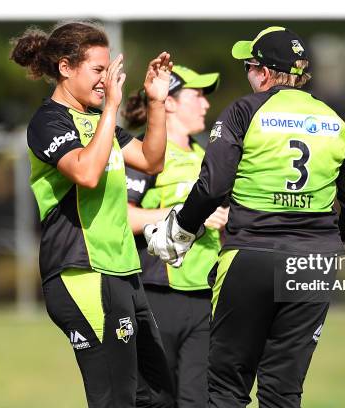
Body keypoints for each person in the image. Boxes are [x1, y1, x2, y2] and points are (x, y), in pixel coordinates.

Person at [145, 26, 345, 407]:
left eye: (249, 66)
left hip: (250, 256)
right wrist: (326, 242)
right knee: (283, 390)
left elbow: (213, 186)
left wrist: (181, 230)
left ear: (264, 73)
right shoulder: (339, 121)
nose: (248, 75)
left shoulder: (245, 110)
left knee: (225, 386)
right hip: (315, 261)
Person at [10, 21, 174, 408]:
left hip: (121, 271)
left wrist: (156, 101)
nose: (106, 80)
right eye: (98, 70)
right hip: (81, 273)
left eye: (108, 71)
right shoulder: (48, 121)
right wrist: (113, 106)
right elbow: (85, 172)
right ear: (65, 68)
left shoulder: (101, 124)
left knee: (158, 397)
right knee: (115, 399)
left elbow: (152, 161)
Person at [124, 65, 228, 407]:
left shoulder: (207, 157)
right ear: (168, 102)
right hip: (157, 294)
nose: (205, 105)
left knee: (199, 400)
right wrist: (186, 214)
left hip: (204, 294)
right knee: (156, 400)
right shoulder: (144, 152)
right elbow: (123, 216)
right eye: (196, 95)